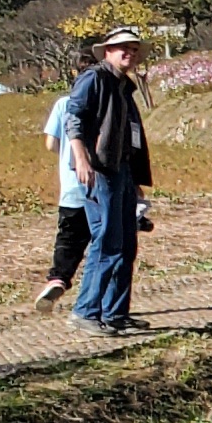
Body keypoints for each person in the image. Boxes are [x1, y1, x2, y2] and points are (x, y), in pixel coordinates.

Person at [65, 26, 153, 334]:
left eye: (132, 48)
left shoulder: (124, 86)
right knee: (107, 242)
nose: (128, 53)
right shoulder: (95, 78)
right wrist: (80, 157)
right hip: (100, 170)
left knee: (126, 243)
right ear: (108, 52)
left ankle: (115, 312)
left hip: (122, 171)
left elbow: (130, 136)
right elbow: (73, 116)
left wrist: (136, 180)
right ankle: (86, 310)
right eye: (121, 48)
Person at [33, 46, 94, 307]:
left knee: (68, 239)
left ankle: (58, 278)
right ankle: (93, 295)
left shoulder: (63, 103)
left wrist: (66, 156)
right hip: (101, 185)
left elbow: (50, 143)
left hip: (71, 186)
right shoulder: (104, 100)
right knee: (101, 243)